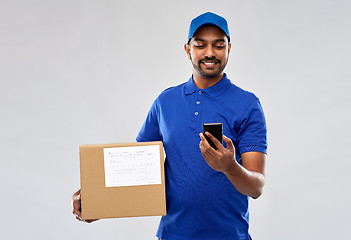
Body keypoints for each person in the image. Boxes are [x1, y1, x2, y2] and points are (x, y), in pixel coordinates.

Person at [72, 12, 267, 240]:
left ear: (229, 48)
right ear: (187, 49)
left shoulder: (247, 104)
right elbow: (136, 169)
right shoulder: (165, 102)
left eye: (218, 45)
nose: (210, 53)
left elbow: (256, 187)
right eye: (200, 45)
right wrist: (96, 201)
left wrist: (229, 167)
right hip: (172, 235)